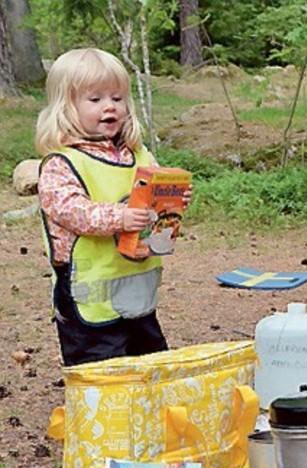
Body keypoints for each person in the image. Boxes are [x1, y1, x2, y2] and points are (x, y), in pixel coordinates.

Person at [35, 48, 191, 366]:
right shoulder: (62, 163)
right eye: (95, 100)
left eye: (117, 98)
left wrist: (173, 202)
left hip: (136, 291)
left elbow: (156, 196)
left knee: (150, 366)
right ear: (66, 107)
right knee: (101, 375)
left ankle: (147, 415)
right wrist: (120, 217)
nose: (110, 106)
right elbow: (71, 210)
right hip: (87, 301)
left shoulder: (138, 154)